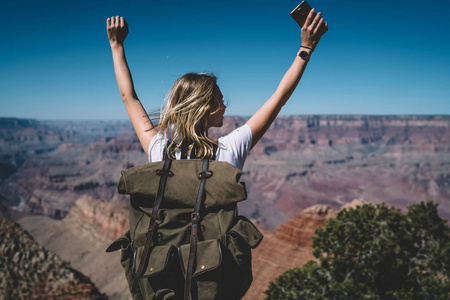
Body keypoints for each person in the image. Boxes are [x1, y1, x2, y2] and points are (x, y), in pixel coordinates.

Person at [106, 9, 327, 169]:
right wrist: (306, 48)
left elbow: (130, 98)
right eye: (220, 101)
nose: (225, 105)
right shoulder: (229, 149)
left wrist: (116, 46)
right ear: (204, 108)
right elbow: (279, 98)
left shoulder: (158, 150)